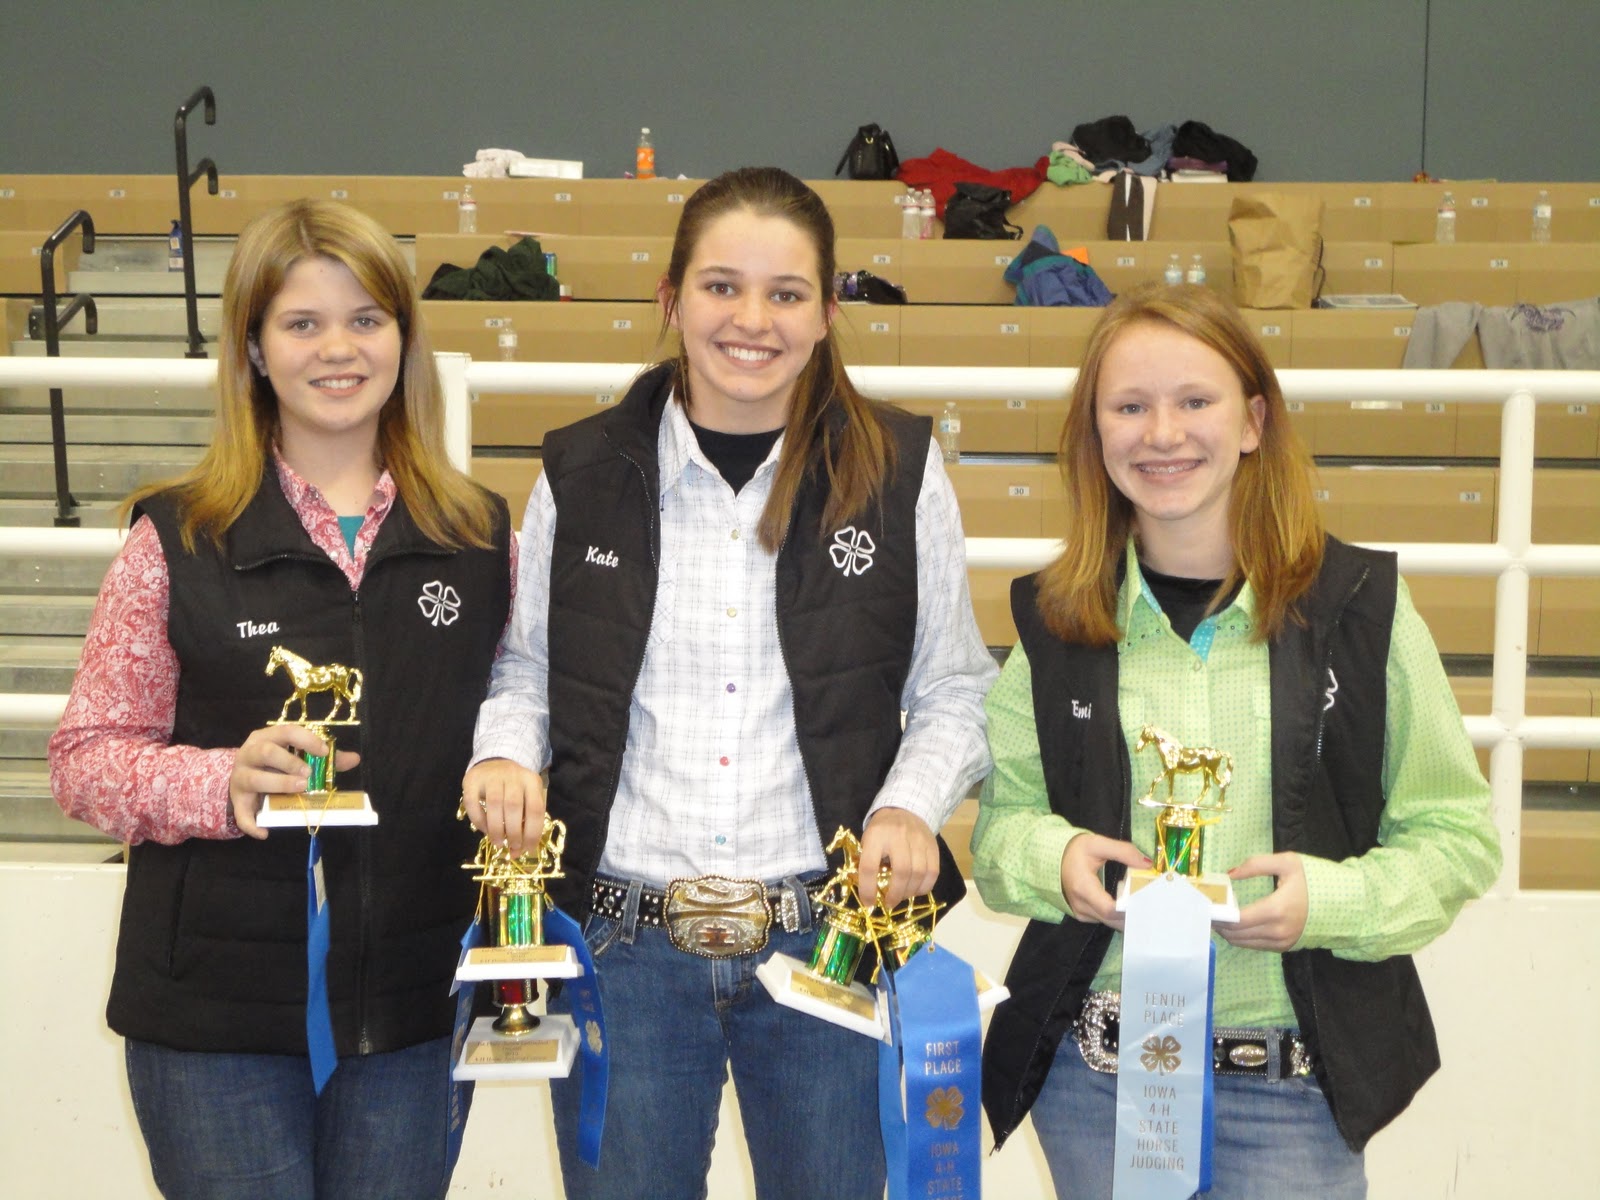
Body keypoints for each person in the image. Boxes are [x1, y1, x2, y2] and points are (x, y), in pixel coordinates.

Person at [465, 166, 996, 1200]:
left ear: (828, 311)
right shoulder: (581, 470)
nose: (751, 320)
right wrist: (501, 750)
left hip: (828, 938)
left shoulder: (897, 465)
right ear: (670, 300)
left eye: (786, 293)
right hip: (624, 945)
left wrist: (907, 804)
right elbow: (530, 666)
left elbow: (955, 688)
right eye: (720, 286)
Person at [971, 283, 1501, 1199]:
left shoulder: (1360, 608)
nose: (1162, 433)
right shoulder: (1056, 621)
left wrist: (1328, 901)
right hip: (1100, 1083)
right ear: (1096, 434)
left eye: (1195, 401)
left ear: (1253, 420)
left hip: (1293, 1093)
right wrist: (1057, 859)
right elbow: (1000, 835)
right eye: (1129, 407)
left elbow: (1458, 836)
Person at [49, 199, 513, 1199]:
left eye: (366, 319)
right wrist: (223, 784)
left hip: (412, 1009)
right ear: (254, 349)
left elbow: (526, 720)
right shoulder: (174, 538)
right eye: (302, 323)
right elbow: (84, 761)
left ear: (403, 337)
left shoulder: (483, 539)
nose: (337, 349)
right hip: (213, 1019)